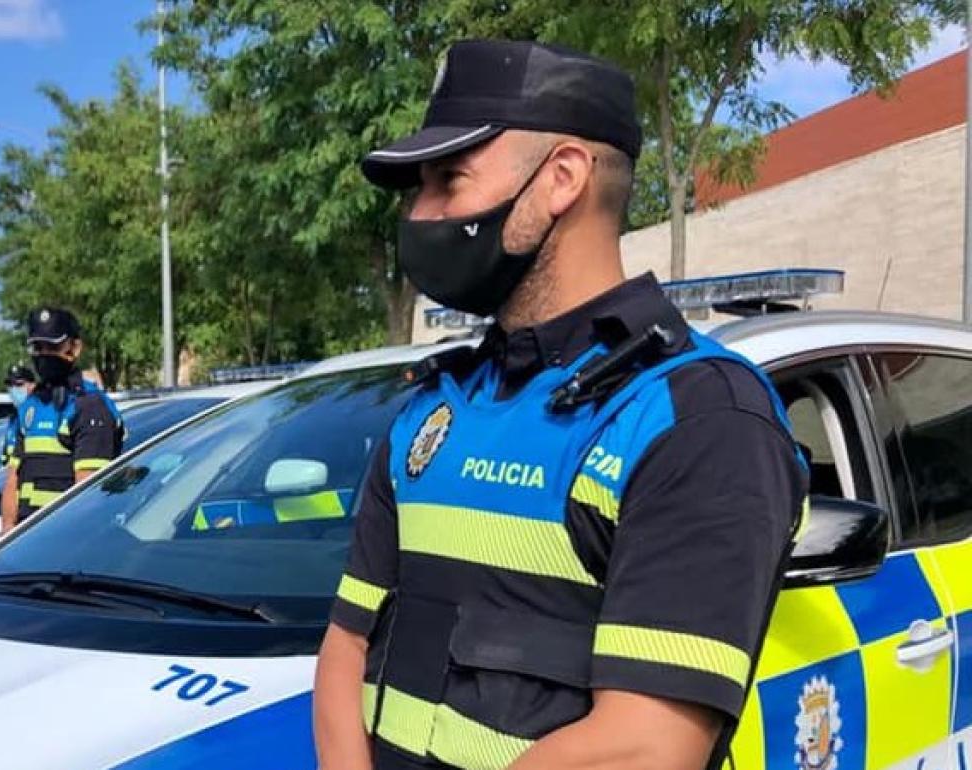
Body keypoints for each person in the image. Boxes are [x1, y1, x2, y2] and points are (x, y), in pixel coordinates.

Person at [313, 40, 808, 770]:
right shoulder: (432, 412)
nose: (421, 214)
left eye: (450, 179)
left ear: (563, 178)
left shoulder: (695, 419)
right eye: (418, 188)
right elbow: (346, 646)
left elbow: (644, 747)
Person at [0, 307, 123, 534]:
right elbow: (12, 479)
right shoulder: (30, 407)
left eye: (53, 346)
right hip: (25, 538)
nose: (44, 354)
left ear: (75, 348)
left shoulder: (89, 406)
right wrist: (7, 530)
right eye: (38, 347)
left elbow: (87, 494)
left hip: (66, 541)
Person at [0, 363, 36, 467]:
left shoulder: (39, 413)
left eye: (19, 385)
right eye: (10, 385)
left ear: (32, 385)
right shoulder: (14, 418)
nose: (13, 389)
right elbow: (5, 457)